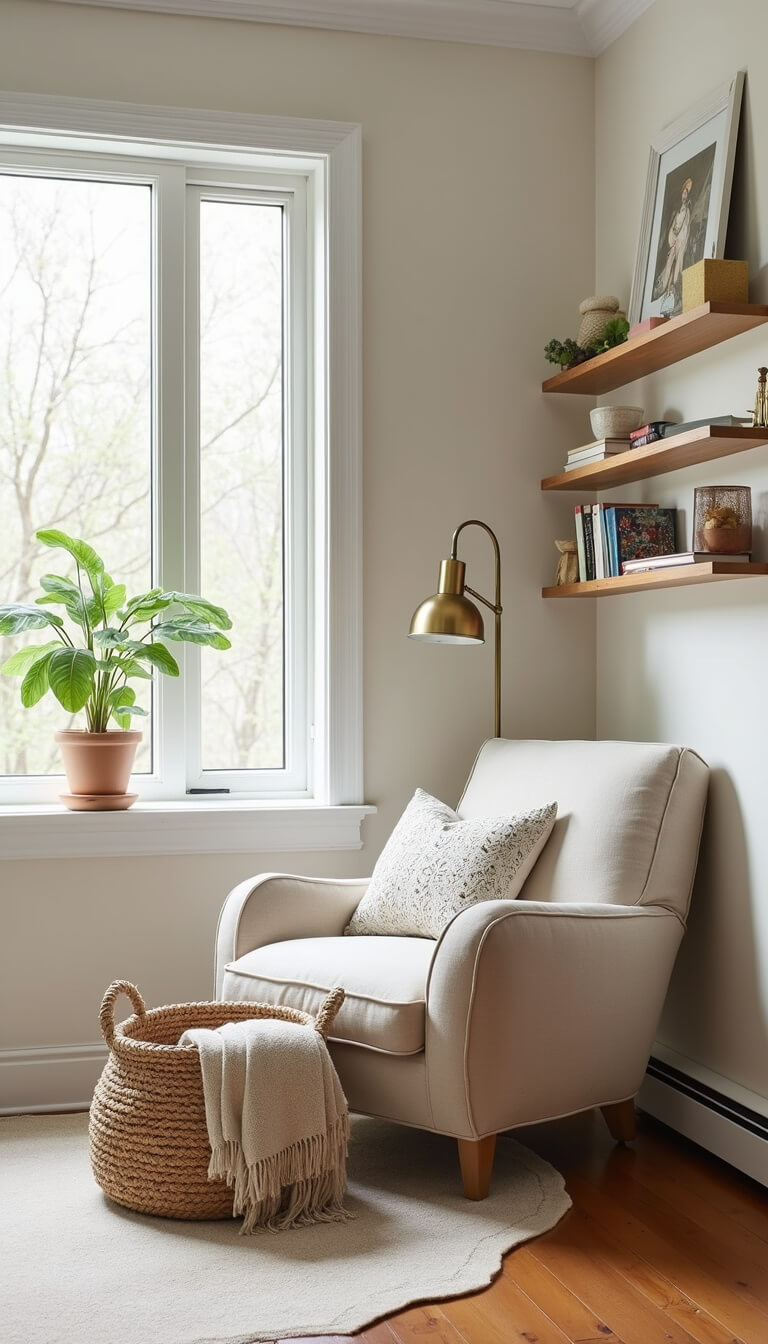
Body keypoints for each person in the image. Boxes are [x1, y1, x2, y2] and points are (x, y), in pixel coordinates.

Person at [658, 177, 692, 309]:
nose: (684, 196)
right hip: (674, 241)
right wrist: (673, 238)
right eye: (683, 193)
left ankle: (673, 290)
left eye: (686, 193)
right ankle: (666, 290)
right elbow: (674, 227)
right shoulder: (677, 212)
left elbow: (686, 228)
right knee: (669, 263)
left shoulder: (687, 211)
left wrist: (679, 241)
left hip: (680, 242)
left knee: (677, 263)